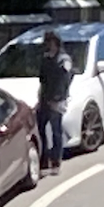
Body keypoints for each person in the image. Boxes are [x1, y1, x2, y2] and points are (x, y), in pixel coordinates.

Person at [37, 30, 73, 176]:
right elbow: (42, 80)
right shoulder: (46, 60)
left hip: (57, 100)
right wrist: (41, 98)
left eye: (51, 42)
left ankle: (56, 161)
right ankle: (44, 159)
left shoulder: (64, 60)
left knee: (56, 131)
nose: (49, 45)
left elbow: (65, 80)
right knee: (41, 129)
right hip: (45, 98)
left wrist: (58, 98)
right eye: (47, 42)